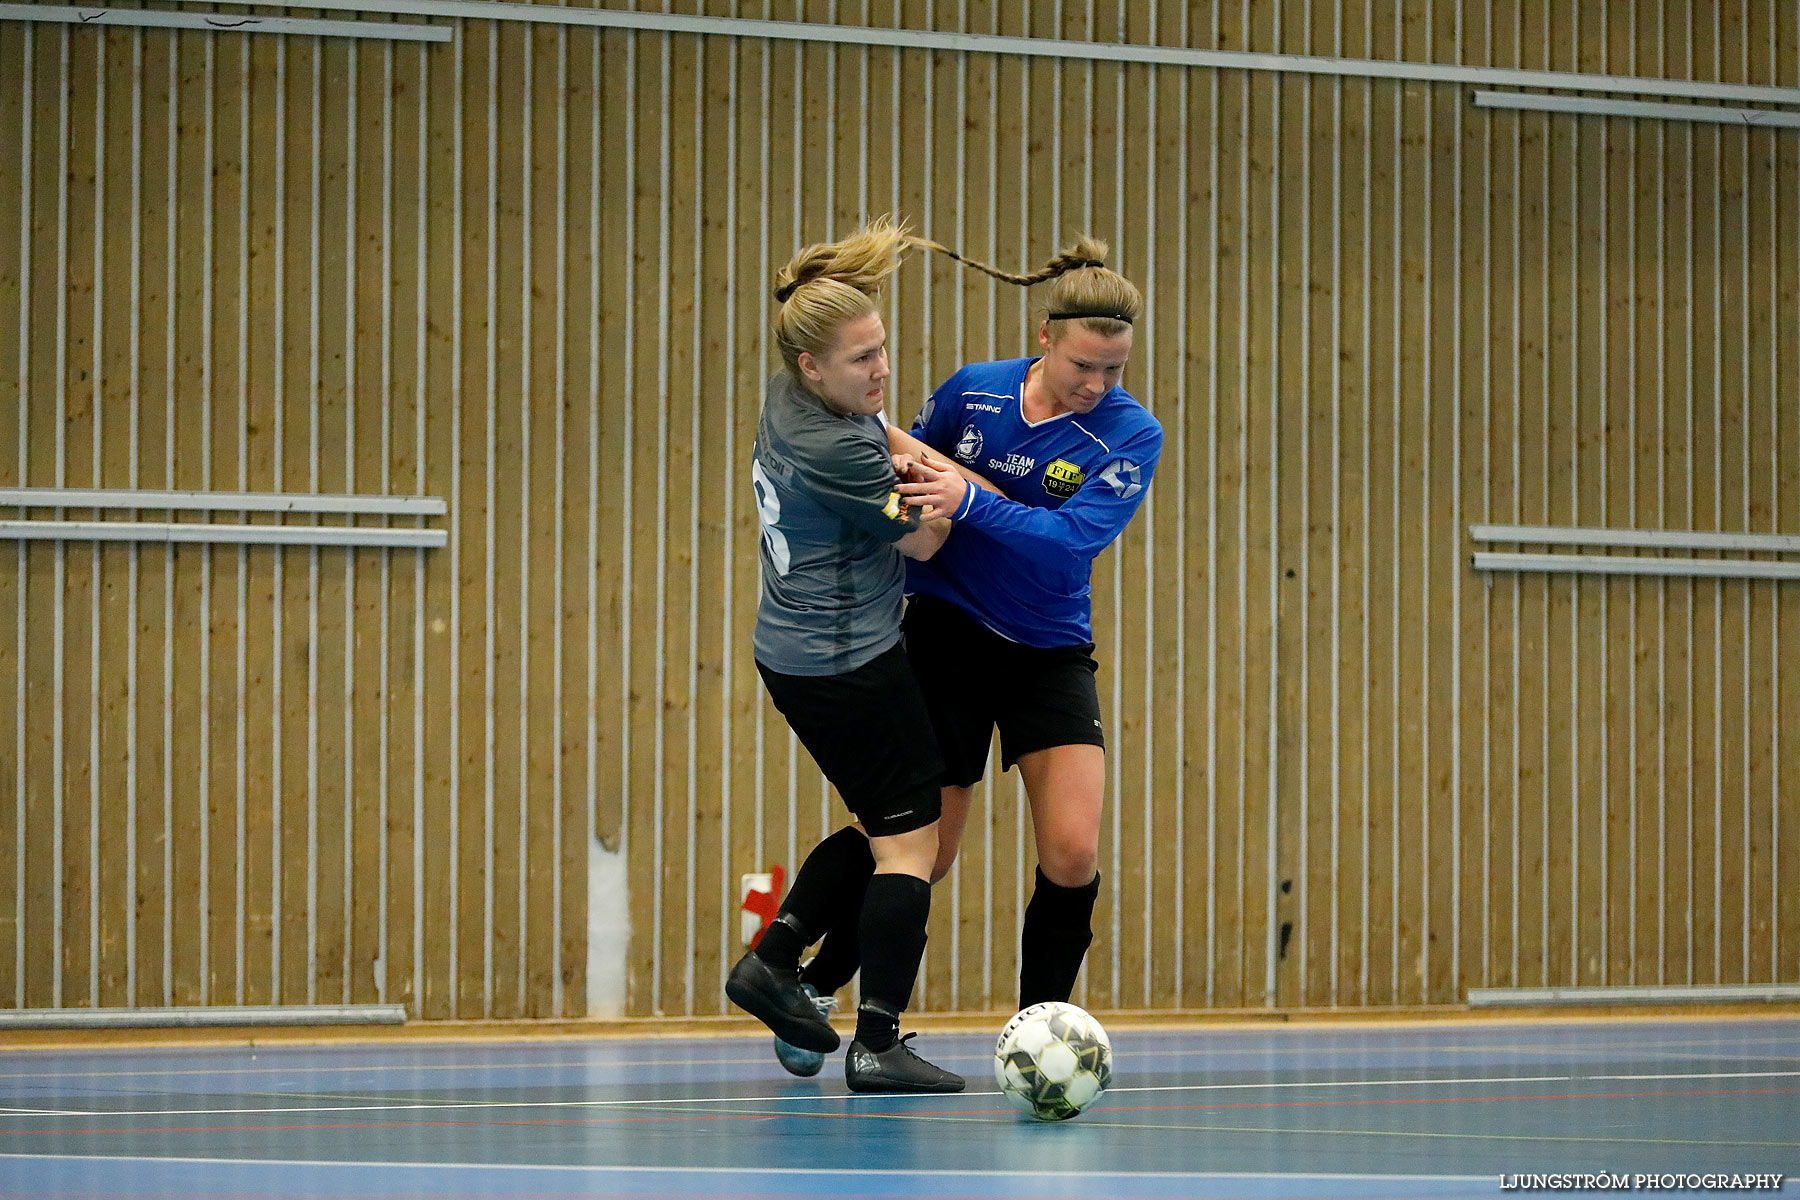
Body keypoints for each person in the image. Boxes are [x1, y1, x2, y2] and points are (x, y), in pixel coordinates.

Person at [770, 237, 1161, 1076]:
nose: (1097, 386)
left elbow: (1067, 545)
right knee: (922, 847)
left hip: (1047, 648)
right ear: (1046, 336)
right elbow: (904, 463)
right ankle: (818, 983)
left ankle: (1037, 1035)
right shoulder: (976, 391)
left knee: (1072, 852)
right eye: (1084, 365)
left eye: (1115, 371)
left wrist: (971, 499)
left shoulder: (1131, 437)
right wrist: (933, 483)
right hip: (944, 632)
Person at [725, 216, 973, 1093]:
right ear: (812, 366)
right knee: (912, 846)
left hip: (804, 650)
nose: (882, 370)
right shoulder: (833, 442)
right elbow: (927, 543)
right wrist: (959, 492)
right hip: (847, 662)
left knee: (883, 828)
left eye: (881, 348)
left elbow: (888, 447)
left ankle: (781, 959)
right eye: (862, 358)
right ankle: (876, 1042)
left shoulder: (799, 399)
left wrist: (914, 457)